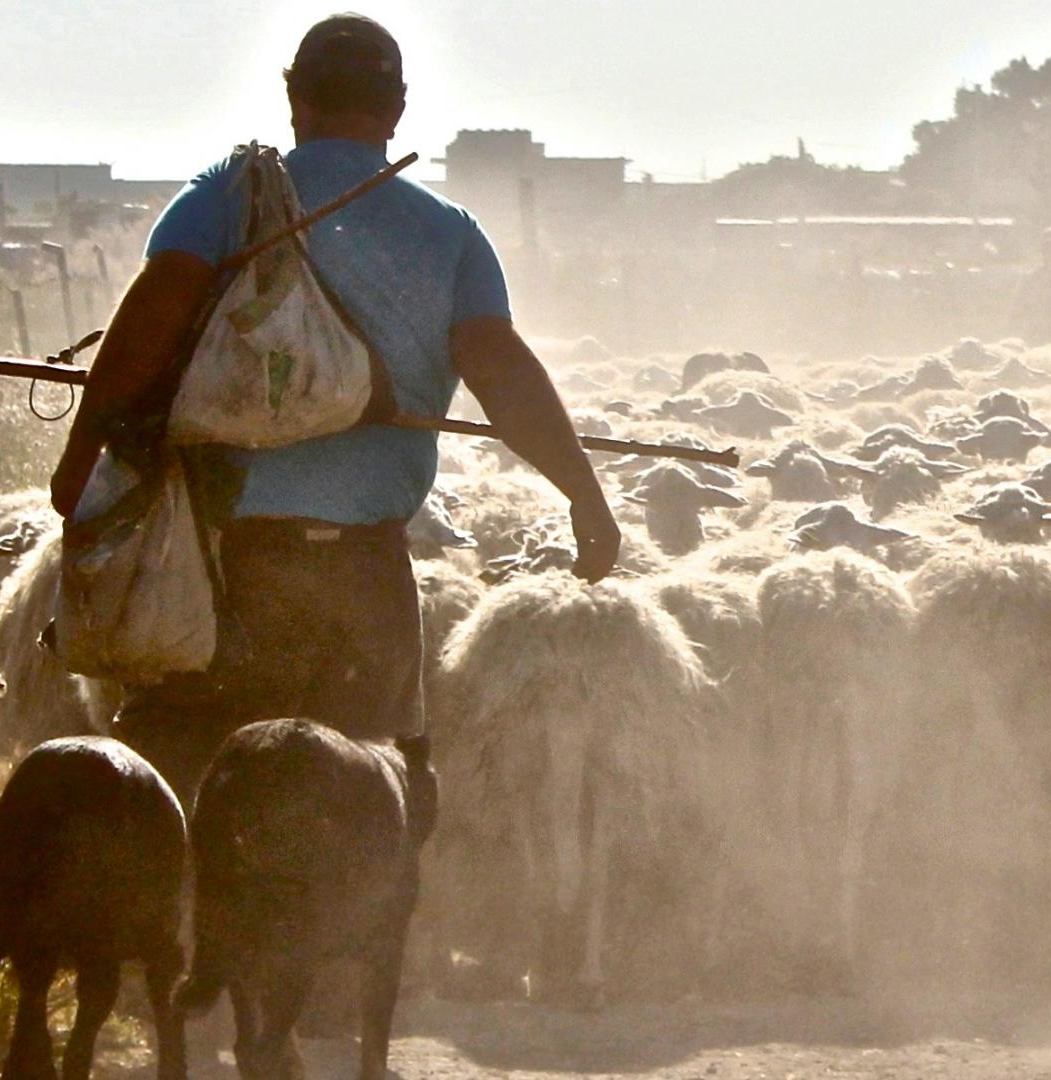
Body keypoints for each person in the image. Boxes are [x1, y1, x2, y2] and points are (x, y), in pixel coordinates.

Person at [47, 13, 621, 797]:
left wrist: (78, 465)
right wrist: (584, 496)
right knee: (374, 802)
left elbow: (155, 311)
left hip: (222, 576)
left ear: (295, 98)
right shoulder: (449, 233)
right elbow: (499, 367)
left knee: (172, 794)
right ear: (397, 110)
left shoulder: (230, 198)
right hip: (361, 582)